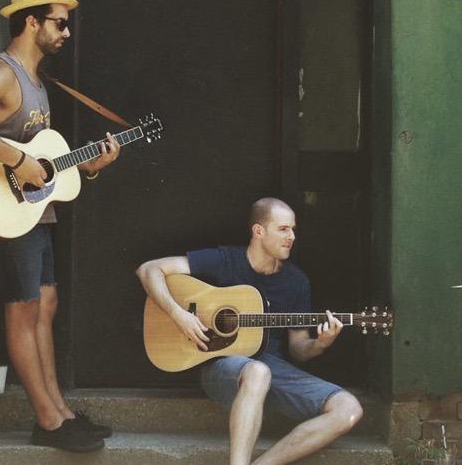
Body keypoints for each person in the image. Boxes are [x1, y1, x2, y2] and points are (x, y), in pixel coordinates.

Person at [0, 0, 118, 452]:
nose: (66, 33)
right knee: (23, 307)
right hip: (4, 210)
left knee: (45, 305)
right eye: (59, 23)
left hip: (33, 213)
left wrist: (87, 164)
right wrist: (16, 161)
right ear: (31, 21)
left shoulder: (39, 82)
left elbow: (44, 157)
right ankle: (46, 418)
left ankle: (59, 411)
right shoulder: (2, 72)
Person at [136, 198, 364, 465]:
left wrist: (321, 344)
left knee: (349, 408)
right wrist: (179, 315)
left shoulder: (296, 281)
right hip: (222, 367)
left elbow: (298, 349)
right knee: (257, 371)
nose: (291, 236)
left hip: (274, 368)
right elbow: (149, 269)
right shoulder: (225, 260)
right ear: (258, 231)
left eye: (293, 229)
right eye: (283, 229)